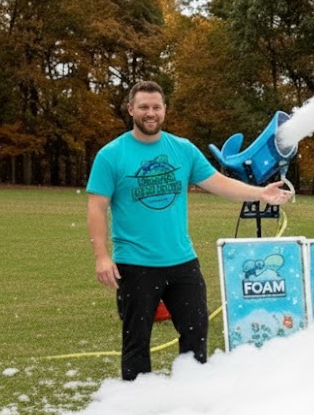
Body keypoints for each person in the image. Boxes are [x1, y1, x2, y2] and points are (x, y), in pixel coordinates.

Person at [86, 81, 291, 381]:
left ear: (165, 110)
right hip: (135, 264)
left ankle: (190, 399)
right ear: (131, 110)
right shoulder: (111, 155)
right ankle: (135, 407)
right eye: (143, 106)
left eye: (156, 107)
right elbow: (96, 208)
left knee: (196, 335)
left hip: (182, 263)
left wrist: (259, 193)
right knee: (136, 343)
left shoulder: (182, 149)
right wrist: (102, 257)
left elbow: (218, 183)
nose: (150, 113)